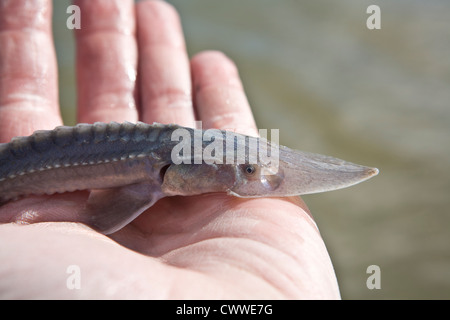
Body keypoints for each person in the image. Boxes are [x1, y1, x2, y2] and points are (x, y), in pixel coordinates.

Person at [0, 0, 340, 299]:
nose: (255, 176)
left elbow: (105, 211)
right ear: (170, 172)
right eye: (247, 170)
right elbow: (102, 215)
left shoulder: (163, 163)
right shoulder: (153, 176)